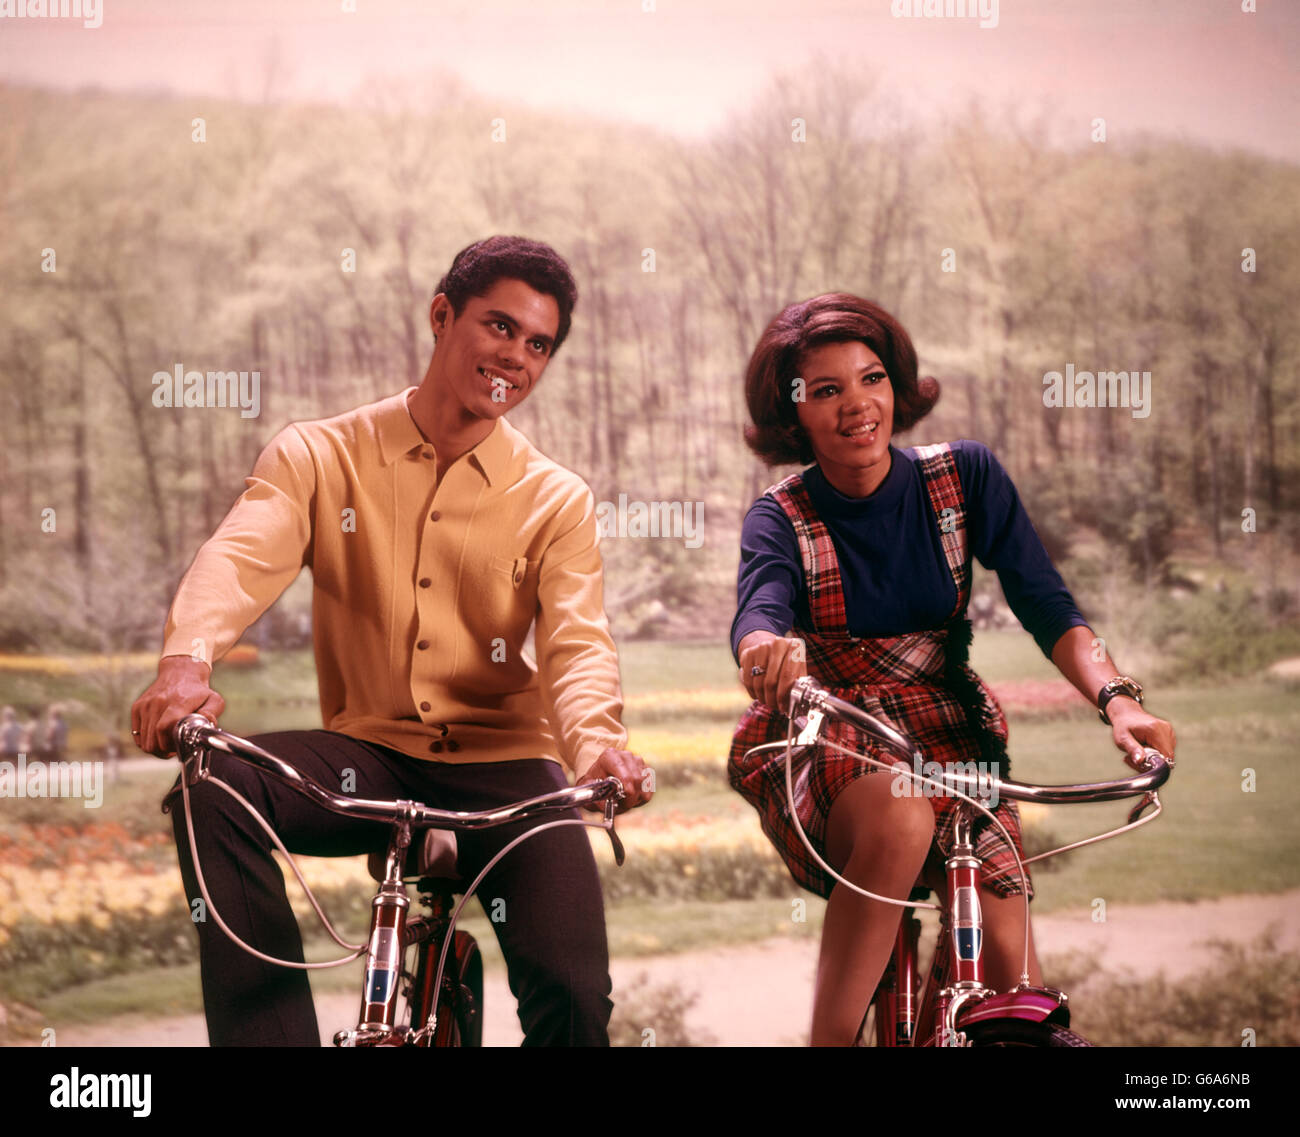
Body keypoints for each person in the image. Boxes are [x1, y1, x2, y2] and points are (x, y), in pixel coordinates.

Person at [130, 235, 652, 1046]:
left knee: (575, 1000)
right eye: (499, 326)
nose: (515, 356)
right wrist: (183, 663)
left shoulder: (557, 500)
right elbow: (240, 555)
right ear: (441, 315)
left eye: (538, 344)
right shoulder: (320, 454)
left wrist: (597, 749)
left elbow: (577, 645)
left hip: (512, 775)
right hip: (368, 759)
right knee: (215, 785)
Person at [726, 293, 1177, 1046]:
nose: (857, 406)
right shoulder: (780, 515)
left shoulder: (963, 476)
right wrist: (766, 653)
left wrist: (1119, 700)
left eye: (870, 379)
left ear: (897, 385)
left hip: (948, 724)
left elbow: (1047, 602)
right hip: (833, 726)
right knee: (901, 818)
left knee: (1011, 963)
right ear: (793, 412)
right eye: (826, 391)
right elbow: (759, 609)